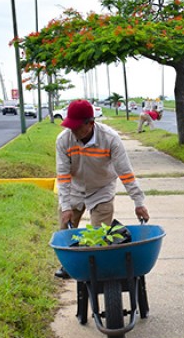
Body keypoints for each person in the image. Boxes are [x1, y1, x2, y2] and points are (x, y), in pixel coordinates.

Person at [55, 100, 150, 278]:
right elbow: (63, 175)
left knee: (99, 235)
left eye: (77, 126)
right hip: (75, 188)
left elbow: (125, 173)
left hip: (102, 188)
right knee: (65, 228)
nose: (72, 131)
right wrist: (66, 206)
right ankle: (68, 265)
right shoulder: (64, 140)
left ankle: (96, 272)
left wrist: (138, 202)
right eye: (70, 126)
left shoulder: (110, 139)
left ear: (90, 123)